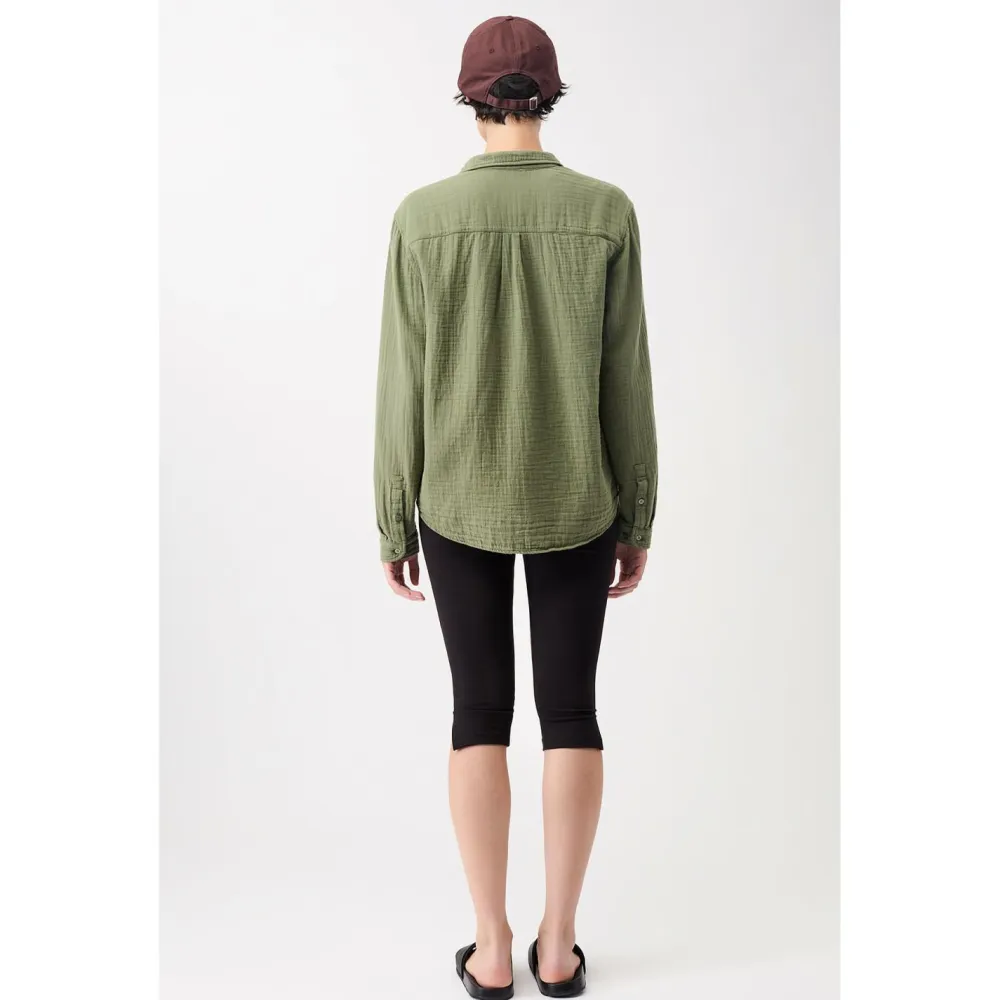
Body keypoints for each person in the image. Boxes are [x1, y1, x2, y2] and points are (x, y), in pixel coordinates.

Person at [373, 15, 657, 999]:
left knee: (477, 713)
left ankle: (490, 948)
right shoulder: (605, 212)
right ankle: (559, 946)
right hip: (578, 495)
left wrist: (392, 514)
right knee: (572, 711)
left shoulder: (421, 218)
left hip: (456, 497)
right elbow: (627, 382)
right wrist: (637, 514)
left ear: (469, 98)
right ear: (550, 94)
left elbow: (401, 384)